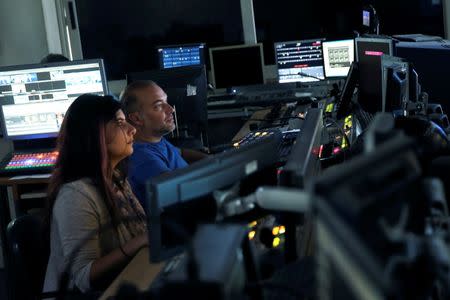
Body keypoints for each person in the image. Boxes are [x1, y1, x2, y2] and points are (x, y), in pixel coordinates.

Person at [43, 94, 148, 294]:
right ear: (94, 133)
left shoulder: (116, 178)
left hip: (121, 282)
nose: (132, 129)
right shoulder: (75, 195)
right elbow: (83, 278)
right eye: (120, 123)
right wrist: (137, 243)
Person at [120, 80, 207, 208]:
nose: (171, 109)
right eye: (158, 106)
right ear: (137, 118)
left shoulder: (155, 140)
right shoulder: (141, 156)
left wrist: (215, 160)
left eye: (166, 102)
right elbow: (177, 189)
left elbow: (180, 153)